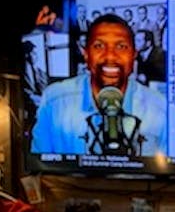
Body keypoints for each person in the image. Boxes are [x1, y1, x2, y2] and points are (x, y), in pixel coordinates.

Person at [30, 13, 167, 157]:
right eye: (99, 46)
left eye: (121, 46)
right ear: (86, 54)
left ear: (134, 55)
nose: (110, 56)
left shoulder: (160, 107)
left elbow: (172, 174)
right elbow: (39, 171)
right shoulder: (54, 101)